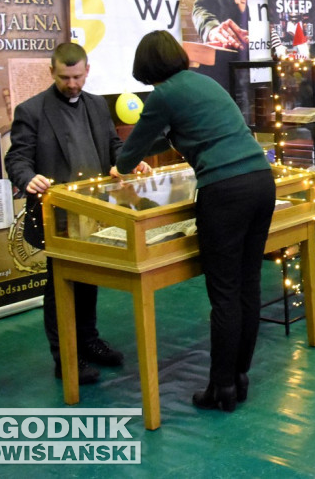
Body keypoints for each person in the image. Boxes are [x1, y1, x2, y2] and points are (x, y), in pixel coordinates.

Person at [115, 30, 276, 413]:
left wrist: (125, 161)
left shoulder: (165, 94)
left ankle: (220, 388)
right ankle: (239, 377)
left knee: (224, 294)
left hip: (225, 193)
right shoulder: (203, 83)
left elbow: (127, 157)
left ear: (148, 68)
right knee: (248, 286)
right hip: (260, 181)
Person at [5, 42, 149, 385]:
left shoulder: (98, 105)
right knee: (61, 286)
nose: (72, 84)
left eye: (77, 76)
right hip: (58, 215)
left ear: (87, 70)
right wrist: (28, 178)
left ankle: (89, 341)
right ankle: (65, 356)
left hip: (94, 209)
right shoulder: (32, 110)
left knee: (89, 280)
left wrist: (127, 162)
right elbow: (17, 159)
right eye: (65, 77)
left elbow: (113, 145)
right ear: (51, 72)